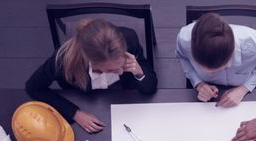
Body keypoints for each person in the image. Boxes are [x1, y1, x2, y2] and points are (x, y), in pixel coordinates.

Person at [26, 18, 158, 134]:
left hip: (125, 99)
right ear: (91, 61)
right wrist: (74, 113)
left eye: (122, 63)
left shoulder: (129, 38)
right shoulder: (62, 62)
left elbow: (150, 87)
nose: (120, 72)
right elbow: (33, 87)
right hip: (85, 100)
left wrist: (139, 72)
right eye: (111, 70)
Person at [176, 13, 256, 107]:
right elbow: (182, 56)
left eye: (218, 69)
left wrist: (244, 88)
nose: (212, 75)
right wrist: (198, 83)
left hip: (250, 89)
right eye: (203, 69)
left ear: (232, 54)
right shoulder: (184, 39)